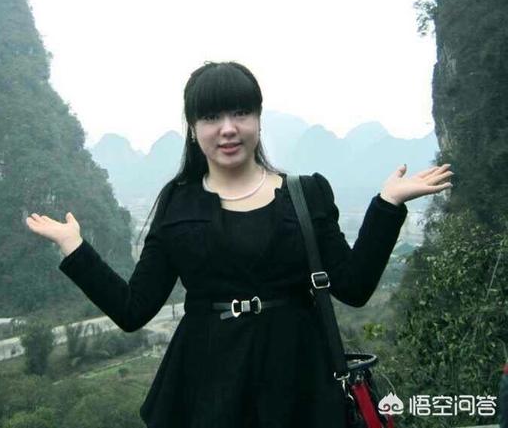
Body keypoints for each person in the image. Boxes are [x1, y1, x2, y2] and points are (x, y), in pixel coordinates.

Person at [25, 61, 454, 427]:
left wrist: (387, 205)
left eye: (241, 113)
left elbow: (354, 287)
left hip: (298, 381)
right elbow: (133, 309)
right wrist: (75, 247)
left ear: (258, 119)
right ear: (193, 129)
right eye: (211, 117)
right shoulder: (178, 204)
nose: (228, 129)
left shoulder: (306, 194)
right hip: (206, 386)